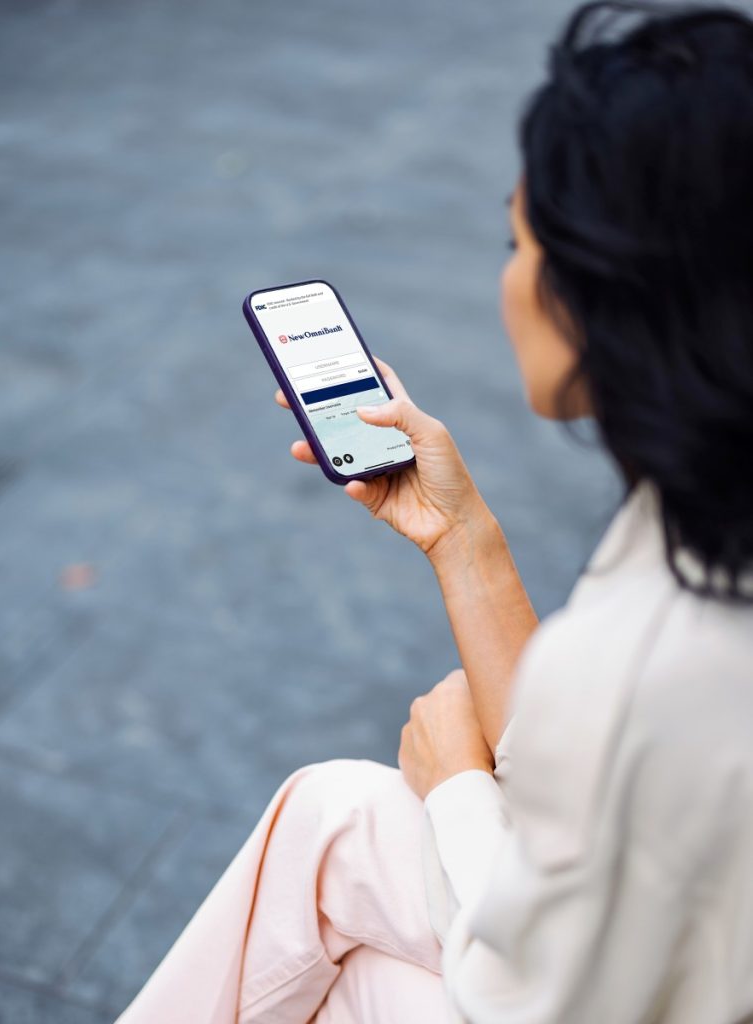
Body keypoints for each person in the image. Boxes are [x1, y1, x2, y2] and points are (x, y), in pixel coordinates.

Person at [115, 2, 753, 1021]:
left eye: (520, 239)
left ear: (604, 290)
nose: (510, 276)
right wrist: (460, 535)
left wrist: (456, 783)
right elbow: (587, 785)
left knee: (343, 905)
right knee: (331, 821)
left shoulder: (668, 655)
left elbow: (543, 997)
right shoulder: (713, 514)